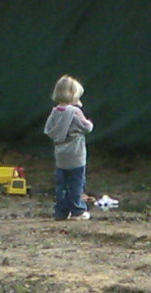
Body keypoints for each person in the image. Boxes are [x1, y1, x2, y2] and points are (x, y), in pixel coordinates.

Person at [44, 74, 94, 220]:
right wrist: (89, 122)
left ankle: (60, 212)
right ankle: (78, 210)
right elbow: (87, 127)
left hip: (60, 154)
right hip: (76, 154)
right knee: (76, 183)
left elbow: (48, 130)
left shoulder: (54, 112)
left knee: (62, 184)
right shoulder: (75, 112)